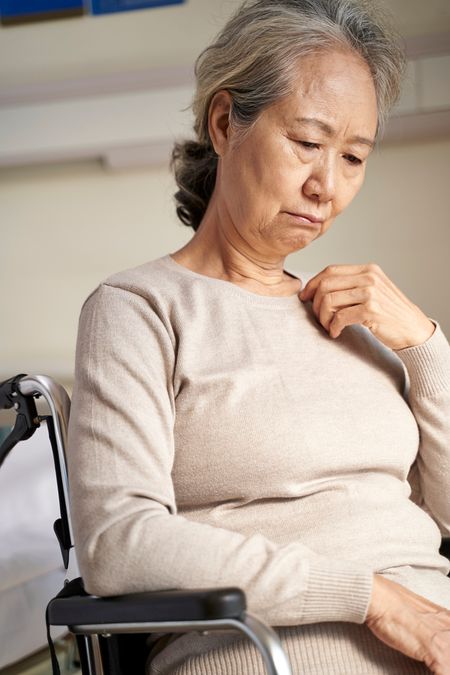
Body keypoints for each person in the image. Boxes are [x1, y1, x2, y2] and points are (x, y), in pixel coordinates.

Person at [67, 0, 450, 673]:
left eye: (354, 156)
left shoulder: (363, 324)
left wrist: (424, 345)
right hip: (266, 653)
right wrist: (369, 598)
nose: (326, 185)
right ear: (224, 123)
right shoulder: (138, 310)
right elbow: (120, 544)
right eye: (306, 142)